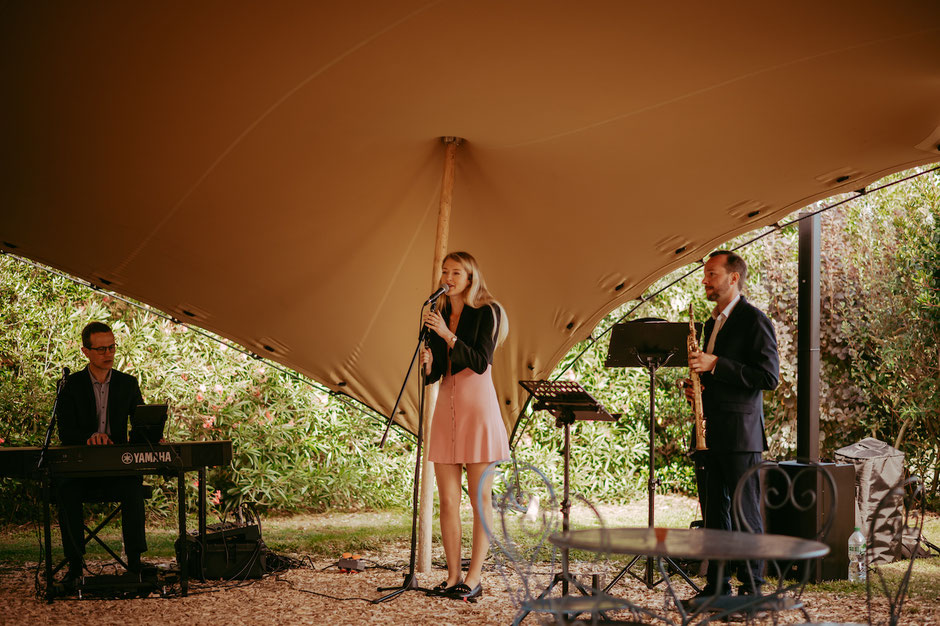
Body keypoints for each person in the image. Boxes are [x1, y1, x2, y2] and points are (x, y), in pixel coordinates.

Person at [686, 250, 779, 598]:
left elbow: (769, 377)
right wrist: (698, 390)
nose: (705, 280)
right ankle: (717, 587)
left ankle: (753, 589)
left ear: (733, 277)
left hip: (741, 435)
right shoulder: (711, 323)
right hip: (709, 432)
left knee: (745, 514)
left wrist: (715, 364)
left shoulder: (754, 320)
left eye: (712, 274)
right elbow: (717, 377)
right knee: (714, 515)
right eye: (706, 274)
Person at [419, 251, 510, 601]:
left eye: (456, 272)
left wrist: (448, 335)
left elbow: (481, 361)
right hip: (447, 407)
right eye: (445, 271)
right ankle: (453, 575)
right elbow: (437, 373)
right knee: (447, 500)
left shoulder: (487, 311)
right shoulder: (437, 313)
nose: (449, 278)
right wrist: (430, 363)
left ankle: (474, 578)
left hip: (478, 408)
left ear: (471, 277)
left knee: (479, 498)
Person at [56, 321, 149, 583]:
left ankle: (135, 565)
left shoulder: (127, 384)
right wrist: (89, 438)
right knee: (66, 492)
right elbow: (65, 431)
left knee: (133, 489)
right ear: (85, 351)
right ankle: (75, 566)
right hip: (81, 470)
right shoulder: (70, 385)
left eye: (112, 347)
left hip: (116, 468)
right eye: (101, 349)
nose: (108, 354)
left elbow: (140, 425)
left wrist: (150, 436)